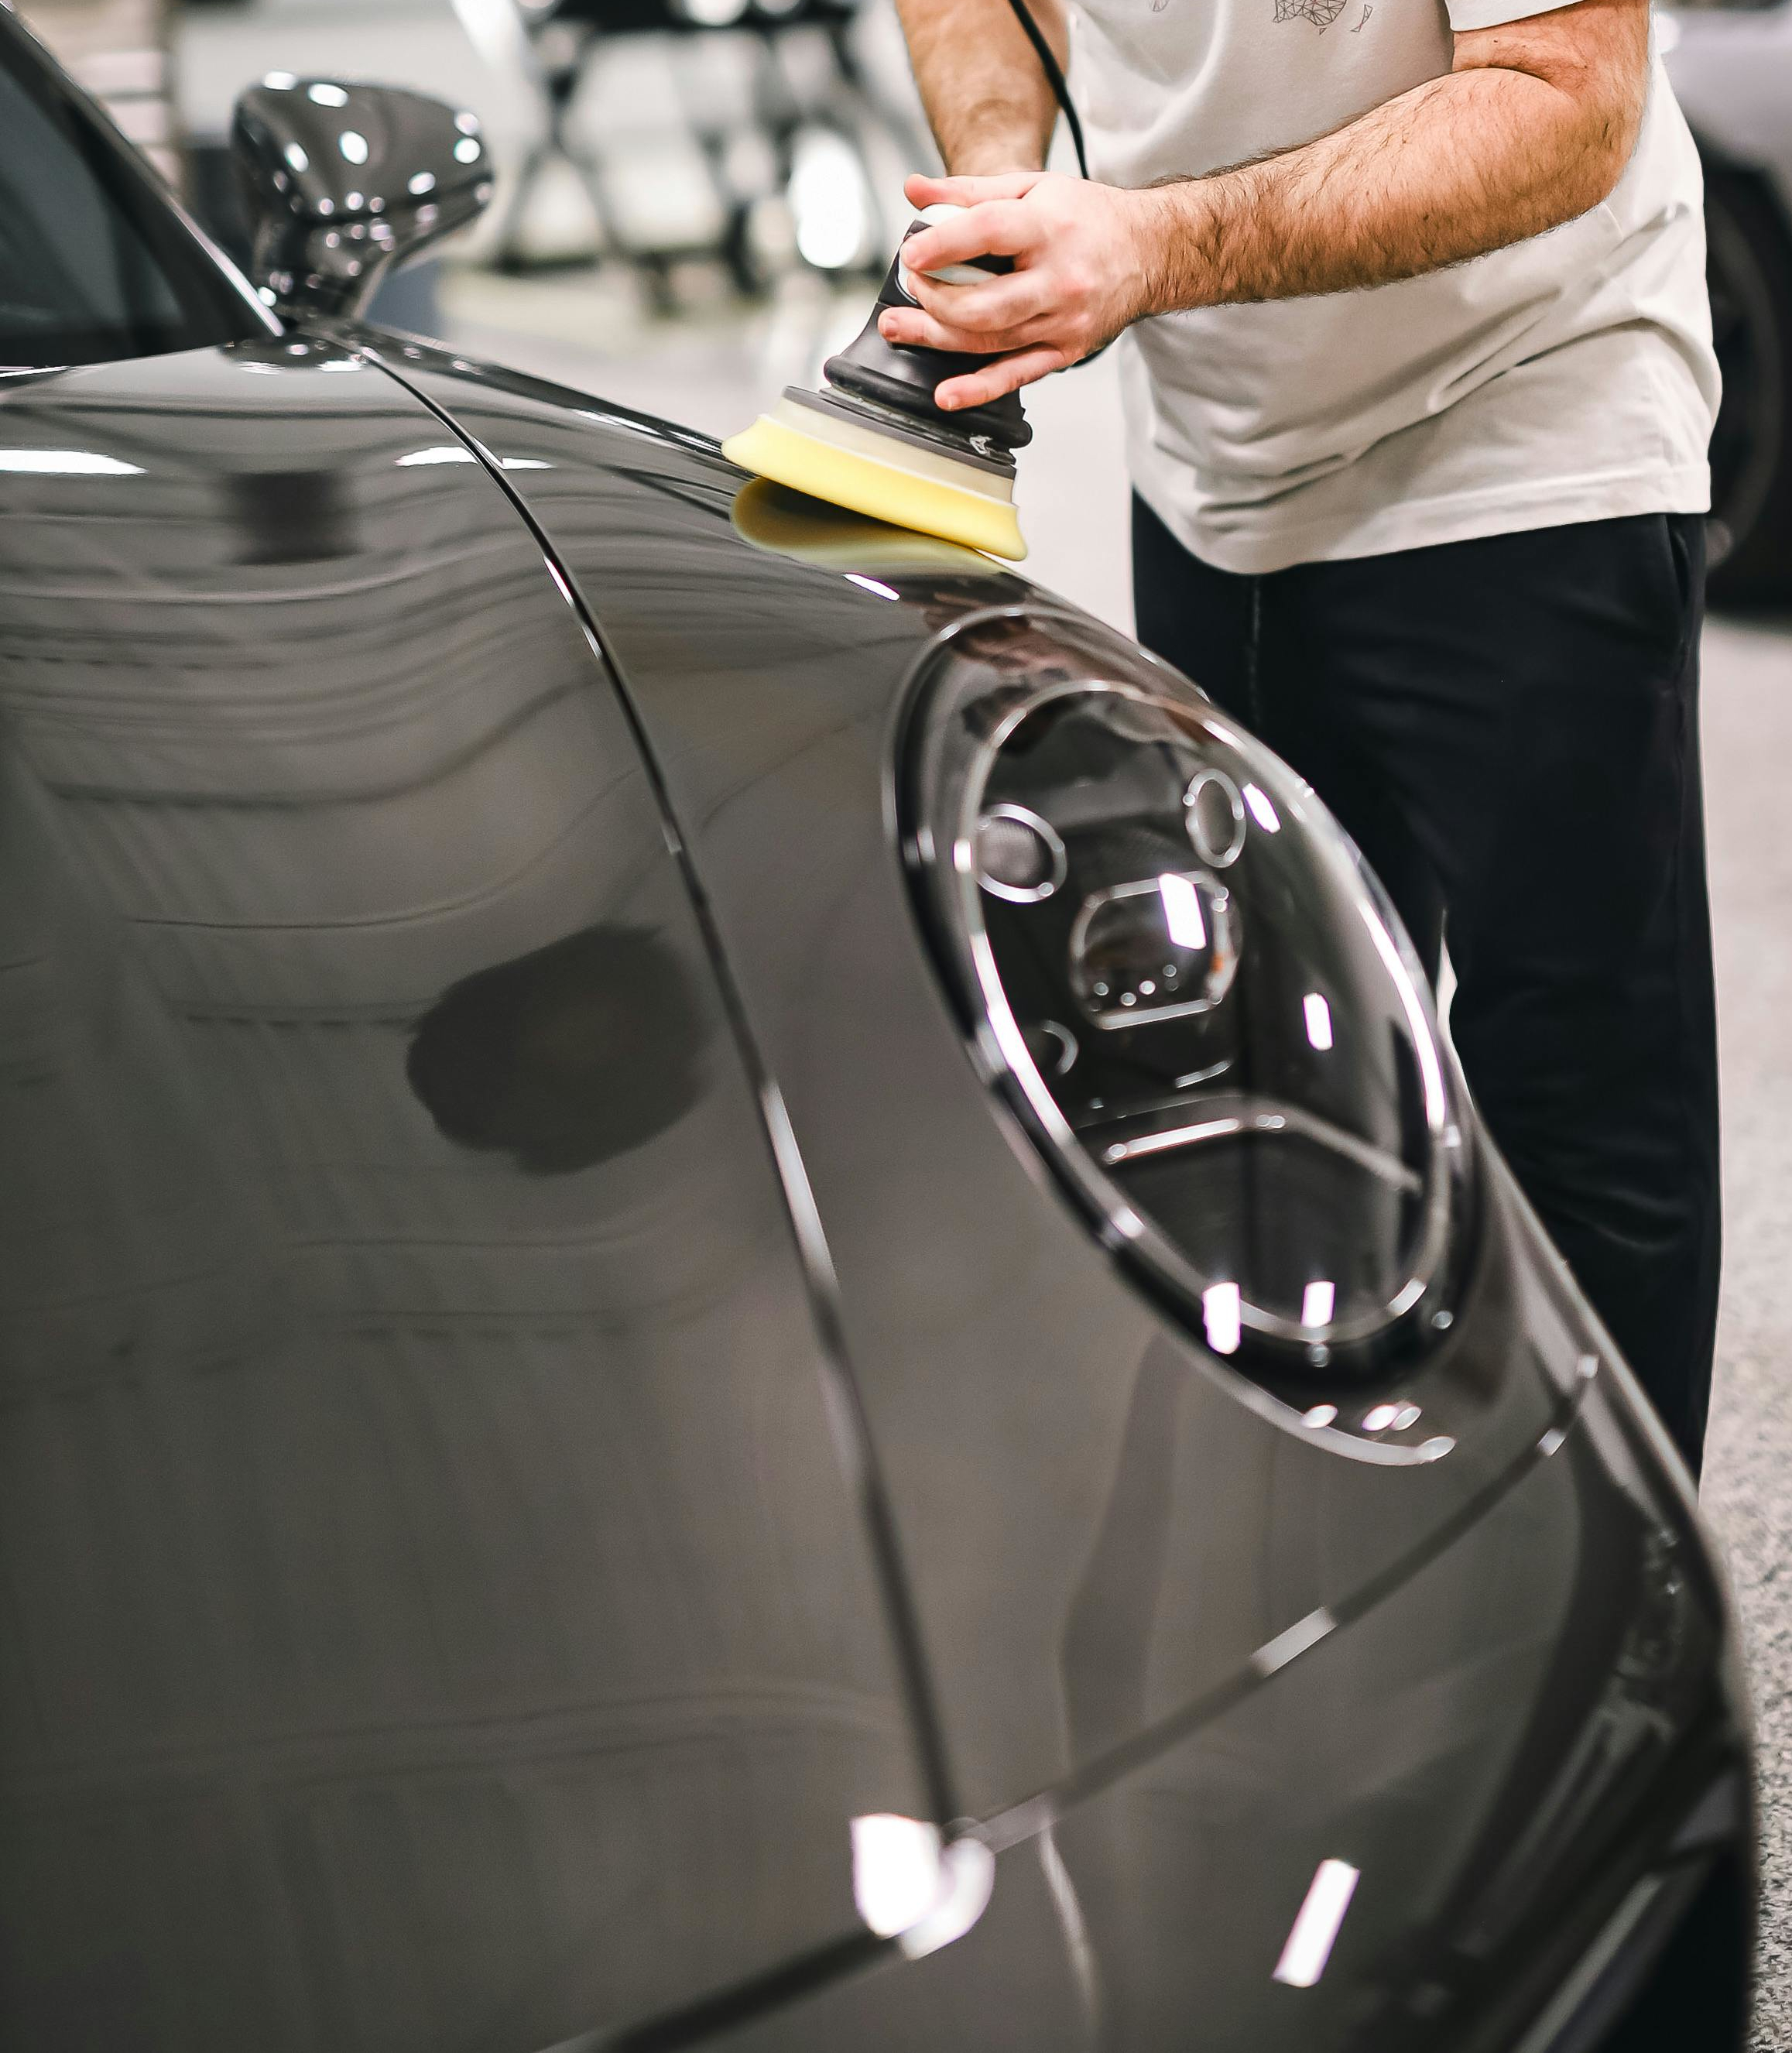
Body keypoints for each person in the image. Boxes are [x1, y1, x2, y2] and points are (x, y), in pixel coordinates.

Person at [886, 0, 1721, 1474]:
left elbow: (1563, 101)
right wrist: (1005, 185)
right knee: (1266, 1068)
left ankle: (1608, 1641)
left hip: (1521, 409)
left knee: (1575, 1094)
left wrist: (1147, 246)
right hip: (1218, 441)